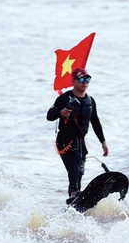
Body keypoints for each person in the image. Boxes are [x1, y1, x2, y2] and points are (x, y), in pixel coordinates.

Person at [46, 68, 108, 205]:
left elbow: (95, 122)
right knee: (74, 166)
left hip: (81, 141)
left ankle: (73, 199)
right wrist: (60, 113)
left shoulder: (90, 101)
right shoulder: (64, 98)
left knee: (79, 170)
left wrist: (103, 141)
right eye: (81, 79)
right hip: (65, 140)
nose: (84, 83)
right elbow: (49, 116)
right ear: (74, 81)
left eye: (87, 79)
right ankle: (74, 193)